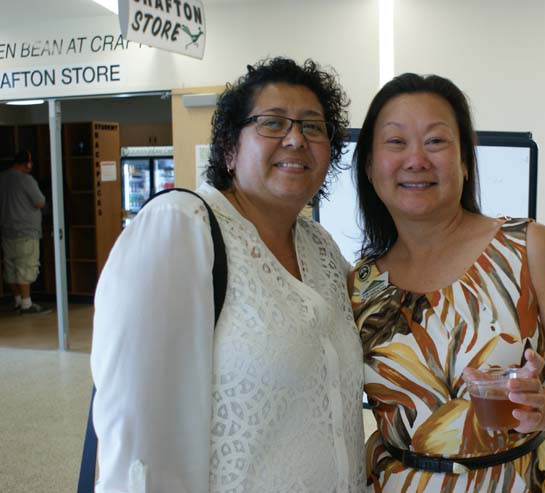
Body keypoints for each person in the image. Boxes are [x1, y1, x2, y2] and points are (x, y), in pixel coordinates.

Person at [91, 57, 366, 492]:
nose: (296, 139)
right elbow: (137, 434)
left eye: (313, 126)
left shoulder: (321, 247)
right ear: (229, 148)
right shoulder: (182, 228)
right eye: (273, 123)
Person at [350, 73, 545, 492]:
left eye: (436, 141)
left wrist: (541, 406)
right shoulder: (362, 285)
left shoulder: (527, 248)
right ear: (368, 165)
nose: (416, 159)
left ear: (466, 161)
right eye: (395, 142)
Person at [0, 149, 51, 315]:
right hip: (26, 231)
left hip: (7, 230)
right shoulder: (26, 180)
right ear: (27, 163)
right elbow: (40, 202)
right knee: (26, 267)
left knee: (11, 267)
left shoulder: (2, 178)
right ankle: (27, 304)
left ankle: (17, 300)